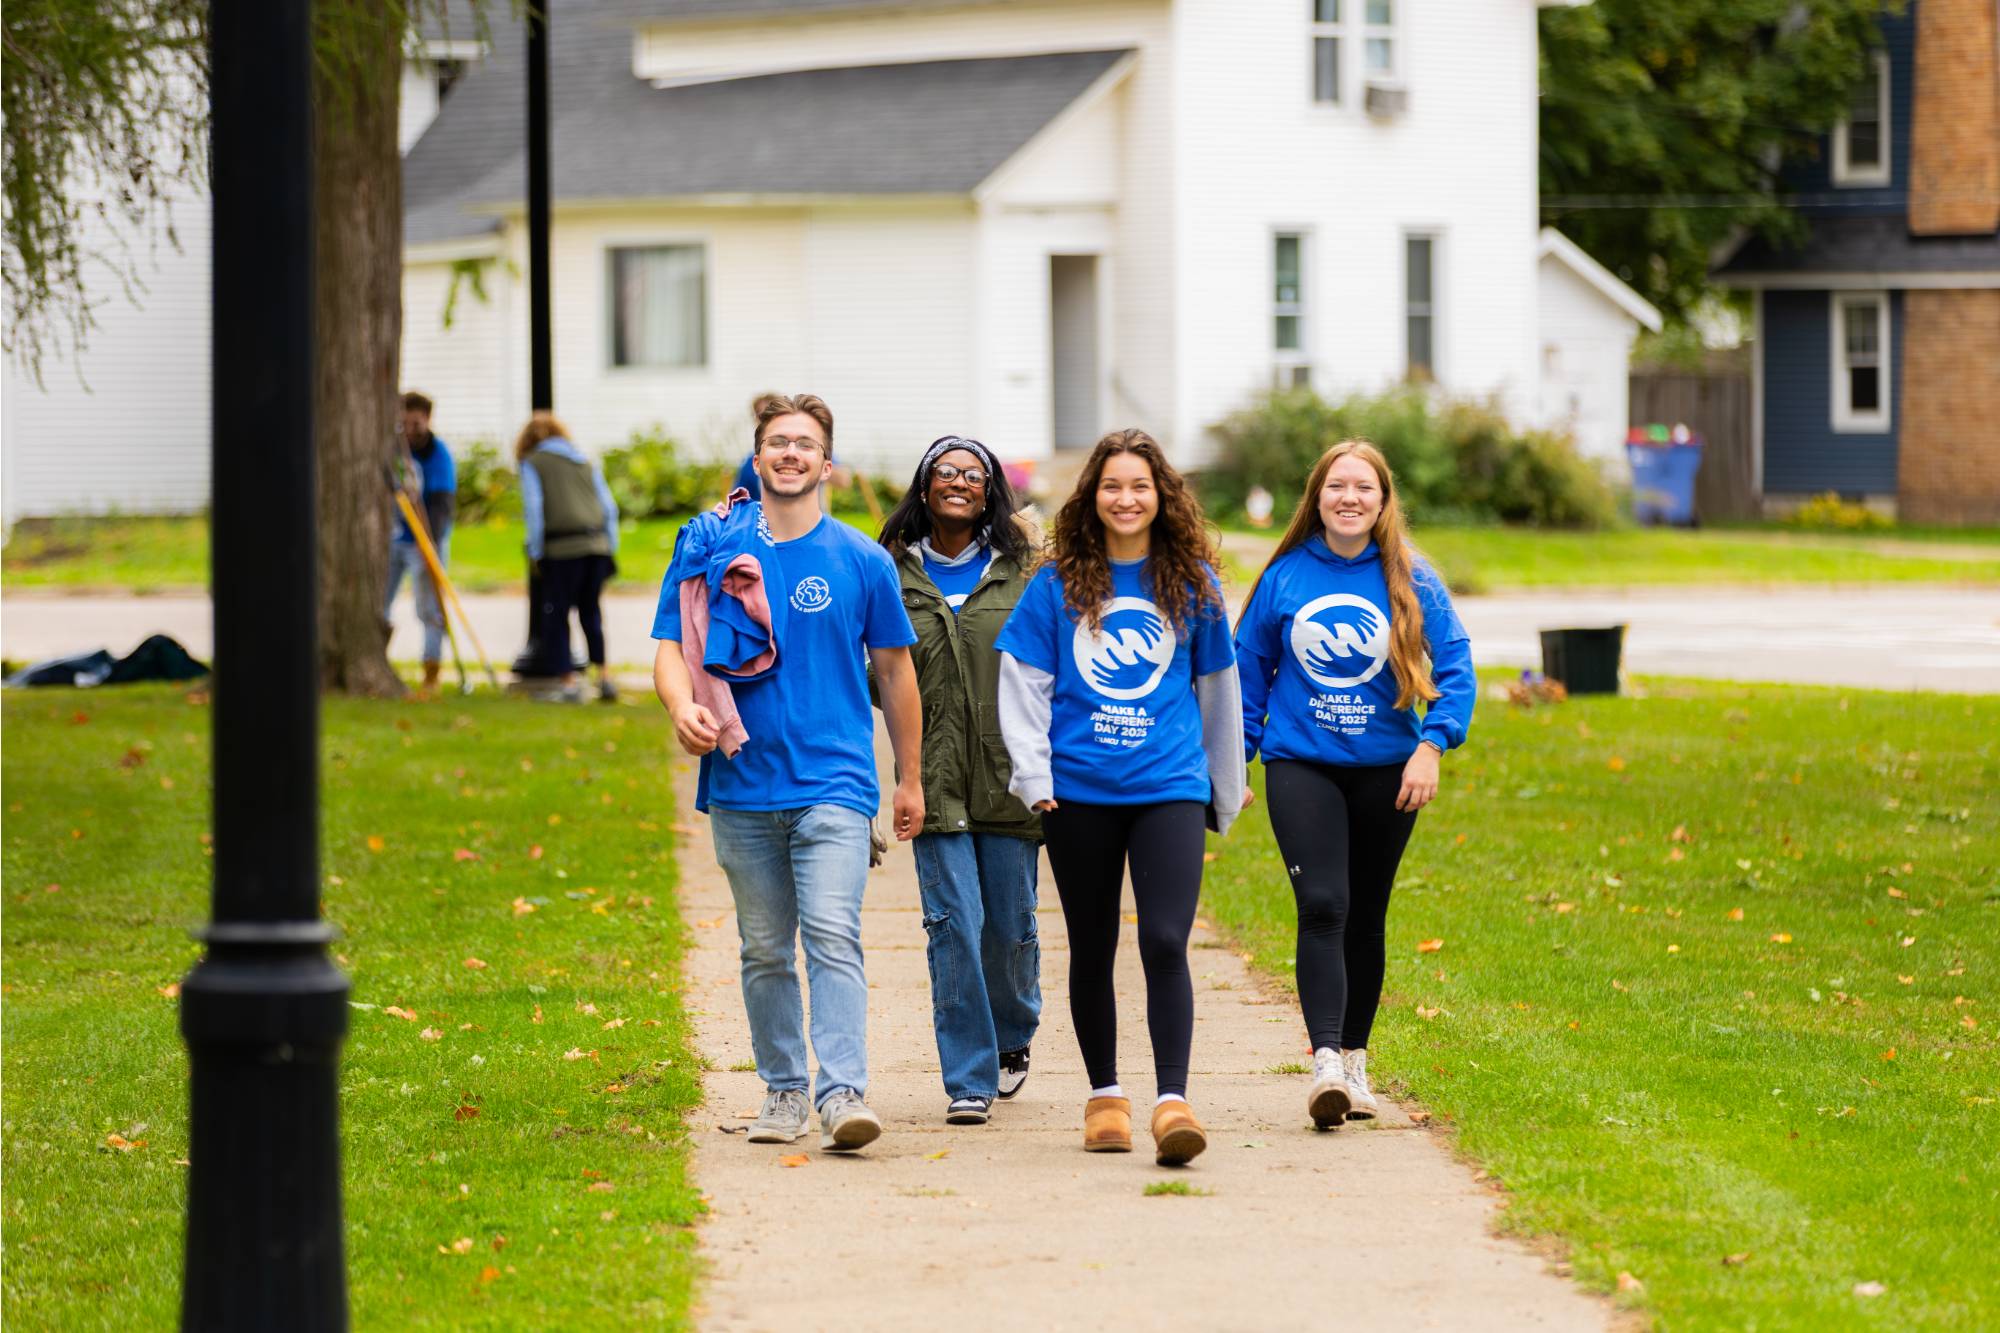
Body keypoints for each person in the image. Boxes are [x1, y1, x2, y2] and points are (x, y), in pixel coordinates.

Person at [652, 392, 925, 1153]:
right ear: (760, 456)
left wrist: (911, 778)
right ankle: (782, 1090)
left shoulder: (861, 559)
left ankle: (842, 1093)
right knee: (765, 947)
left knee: (832, 932)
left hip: (835, 781)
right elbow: (671, 646)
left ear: (826, 463)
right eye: (778, 441)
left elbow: (898, 674)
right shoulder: (710, 546)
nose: (792, 453)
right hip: (742, 781)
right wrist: (681, 708)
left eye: (806, 442)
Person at [995, 428, 1244, 1167]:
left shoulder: (1192, 582)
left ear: (1162, 495)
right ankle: (1105, 1094)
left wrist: (1224, 786)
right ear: (1092, 498)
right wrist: (1034, 776)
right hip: (1077, 792)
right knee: (1093, 942)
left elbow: (1217, 692)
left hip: (1168, 784)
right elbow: (1025, 685)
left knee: (1166, 939)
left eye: (1140, 485)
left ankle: (1173, 1101)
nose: (1126, 498)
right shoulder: (1056, 585)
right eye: (1112, 486)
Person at [1233, 440, 1474, 1128]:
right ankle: (1326, 1063)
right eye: (1337, 485)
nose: (1349, 497)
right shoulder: (1284, 577)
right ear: (1317, 496)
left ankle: (1358, 1062)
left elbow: (1455, 664)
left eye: (1363, 487)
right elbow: (1248, 679)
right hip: (1301, 764)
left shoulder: (1411, 578)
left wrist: (1432, 743)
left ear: (1383, 499)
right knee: (1323, 904)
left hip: (1387, 772)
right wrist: (1236, 764)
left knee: (1366, 914)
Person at [877, 435, 1042, 1126]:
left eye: (973, 475)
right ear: (923, 486)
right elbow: (874, 671)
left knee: (1009, 927)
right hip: (933, 780)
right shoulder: (888, 571)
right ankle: (968, 1075)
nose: (958, 482)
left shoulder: (1027, 570)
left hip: (1011, 777)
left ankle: (1014, 1031)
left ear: (990, 492)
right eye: (945, 471)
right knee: (954, 924)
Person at [516, 413, 620, 703]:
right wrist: (610, 547)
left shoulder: (533, 463)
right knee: (591, 612)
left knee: (556, 614)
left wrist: (536, 552)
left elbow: (534, 509)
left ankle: (569, 682)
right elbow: (609, 507)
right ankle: (604, 677)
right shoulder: (583, 460)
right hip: (596, 545)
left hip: (561, 548)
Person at [384, 391, 456, 691]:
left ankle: (431, 670)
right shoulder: (395, 450)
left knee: (428, 608)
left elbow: (441, 506)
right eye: (405, 422)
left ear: (427, 420)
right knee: (379, 603)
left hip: (425, 539)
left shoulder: (438, 456)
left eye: (416, 423)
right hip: (394, 538)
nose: (411, 429)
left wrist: (430, 543)